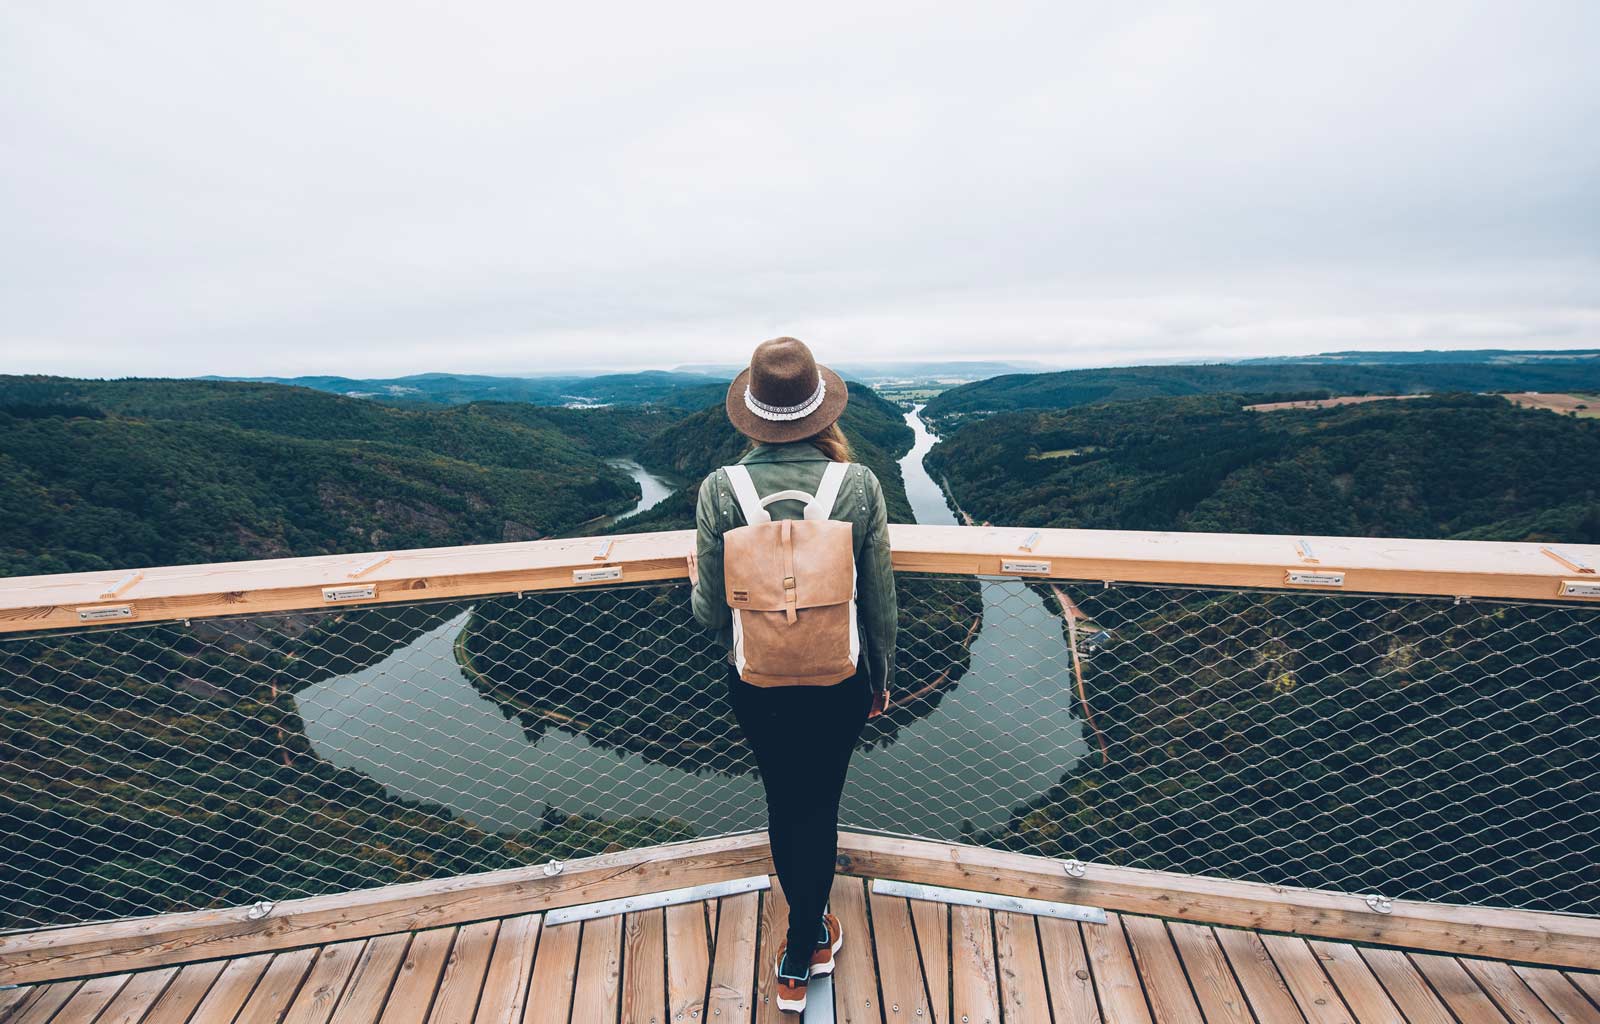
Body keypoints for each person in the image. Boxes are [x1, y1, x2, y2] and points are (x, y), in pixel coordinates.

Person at [689, 337, 897, 1014]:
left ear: (751, 412)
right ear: (821, 409)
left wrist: (709, 588)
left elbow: (710, 617)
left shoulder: (722, 491)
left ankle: (799, 952)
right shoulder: (858, 484)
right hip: (840, 677)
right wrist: (882, 677)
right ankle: (805, 942)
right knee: (822, 803)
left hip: (758, 681)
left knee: (785, 804)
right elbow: (880, 601)